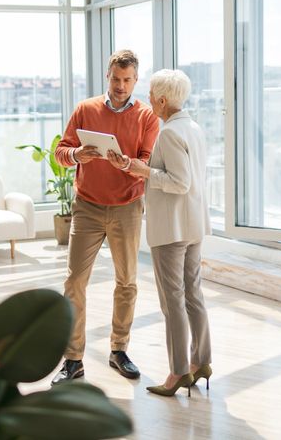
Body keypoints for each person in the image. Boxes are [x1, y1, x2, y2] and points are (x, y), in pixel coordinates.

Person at [51, 49, 160, 385]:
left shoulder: (146, 116)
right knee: (74, 282)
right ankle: (73, 360)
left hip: (127, 207)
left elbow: (148, 165)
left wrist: (126, 164)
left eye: (127, 80)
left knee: (126, 281)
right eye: (116, 79)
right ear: (108, 76)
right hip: (87, 207)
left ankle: (118, 349)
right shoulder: (86, 109)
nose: (120, 86)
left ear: (135, 80)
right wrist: (77, 154)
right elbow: (60, 152)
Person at [108, 68, 212, 397]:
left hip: (172, 230)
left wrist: (145, 171)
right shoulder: (193, 128)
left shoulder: (168, 133)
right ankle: (201, 363)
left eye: (152, 94)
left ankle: (178, 372)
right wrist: (142, 168)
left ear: (163, 100)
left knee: (173, 303)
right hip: (193, 225)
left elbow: (179, 182)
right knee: (193, 295)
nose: (148, 99)